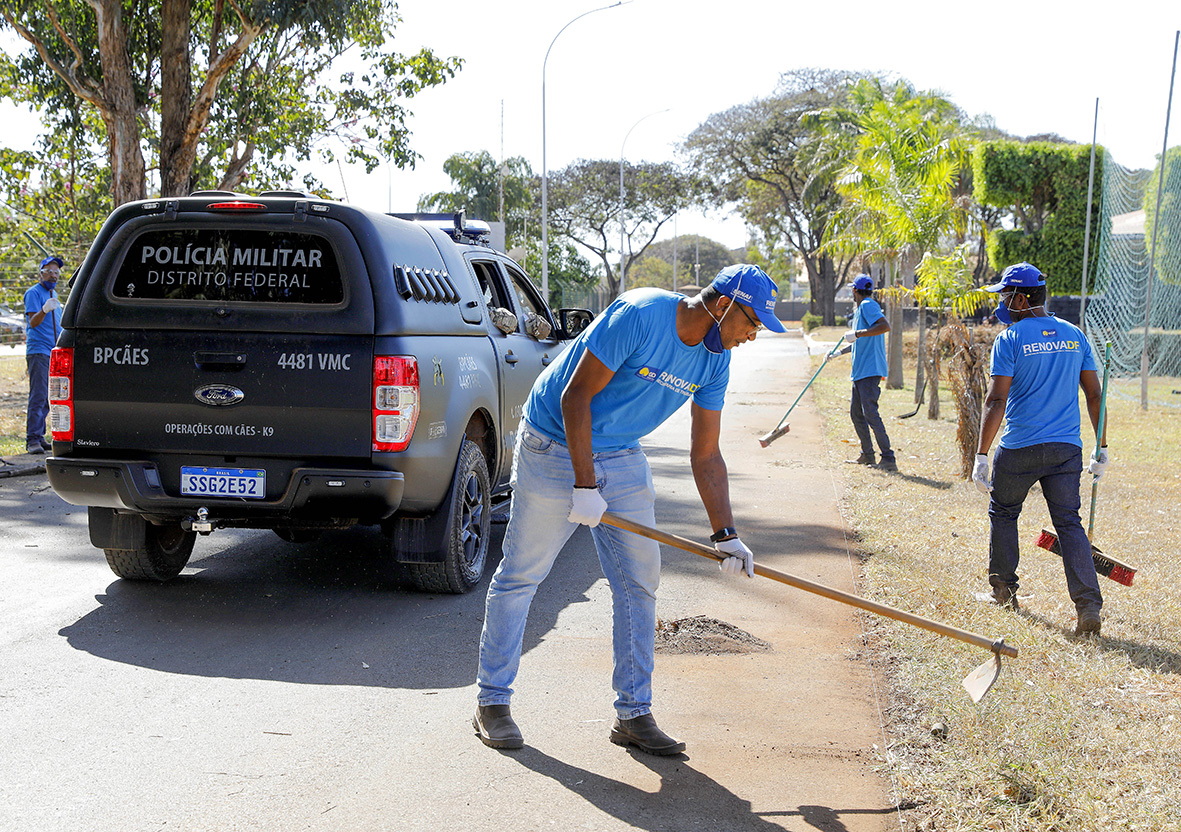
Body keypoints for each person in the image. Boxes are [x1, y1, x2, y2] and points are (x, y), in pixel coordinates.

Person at [474, 264, 786, 755]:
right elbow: (576, 396)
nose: (754, 334)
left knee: (639, 582)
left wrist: (725, 532)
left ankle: (634, 714)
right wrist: (582, 485)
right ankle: (492, 701)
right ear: (723, 305)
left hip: (620, 453)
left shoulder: (715, 361)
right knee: (522, 575)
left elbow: (706, 454)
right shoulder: (640, 315)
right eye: (753, 321)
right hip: (553, 441)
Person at [971, 262, 1107, 637]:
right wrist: (1103, 446)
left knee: (1003, 512)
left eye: (1005, 294)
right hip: (1066, 449)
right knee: (1069, 523)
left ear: (1020, 297)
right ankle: (1089, 605)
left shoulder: (1010, 338)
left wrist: (981, 455)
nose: (1002, 301)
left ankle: (1003, 590)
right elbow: (1094, 394)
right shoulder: (1074, 335)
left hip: (1019, 448)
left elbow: (996, 400)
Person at [843, 274, 896, 471]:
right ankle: (867, 455)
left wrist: (857, 333)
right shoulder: (860, 311)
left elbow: (884, 326)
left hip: (870, 370)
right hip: (861, 371)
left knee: (870, 413)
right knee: (856, 413)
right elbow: (859, 341)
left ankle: (888, 458)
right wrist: (838, 352)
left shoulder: (867, 305)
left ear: (854, 290)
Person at [24, 256, 63, 455]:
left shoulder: (54, 294)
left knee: (50, 397)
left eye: (56, 272)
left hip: (53, 352)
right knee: (39, 395)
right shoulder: (34, 293)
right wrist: (44, 309)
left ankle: (39, 436)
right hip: (38, 351)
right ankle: (32, 439)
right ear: (41, 272)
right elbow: (33, 323)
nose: (53, 275)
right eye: (49, 270)